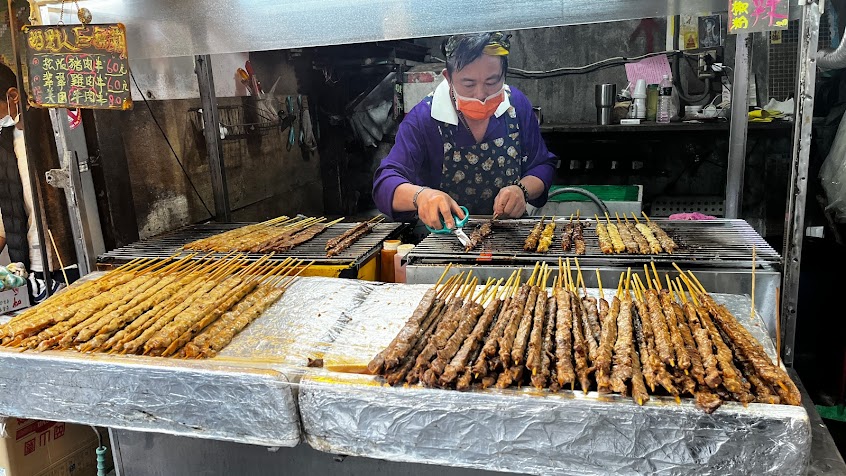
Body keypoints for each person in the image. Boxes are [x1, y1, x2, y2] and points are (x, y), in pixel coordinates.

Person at [373, 32, 556, 230]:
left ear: (504, 75)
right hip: (446, 238)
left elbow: (543, 164)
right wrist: (422, 196)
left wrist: (522, 190)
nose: (481, 95)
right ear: (448, 78)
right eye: (468, 84)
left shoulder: (516, 106)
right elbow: (385, 183)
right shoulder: (424, 119)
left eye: (492, 81)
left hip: (510, 235)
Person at [0, 62, 68, 302]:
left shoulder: (52, 127)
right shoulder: (4, 141)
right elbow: (8, 207)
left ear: (13, 96)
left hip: (66, 260)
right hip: (31, 266)